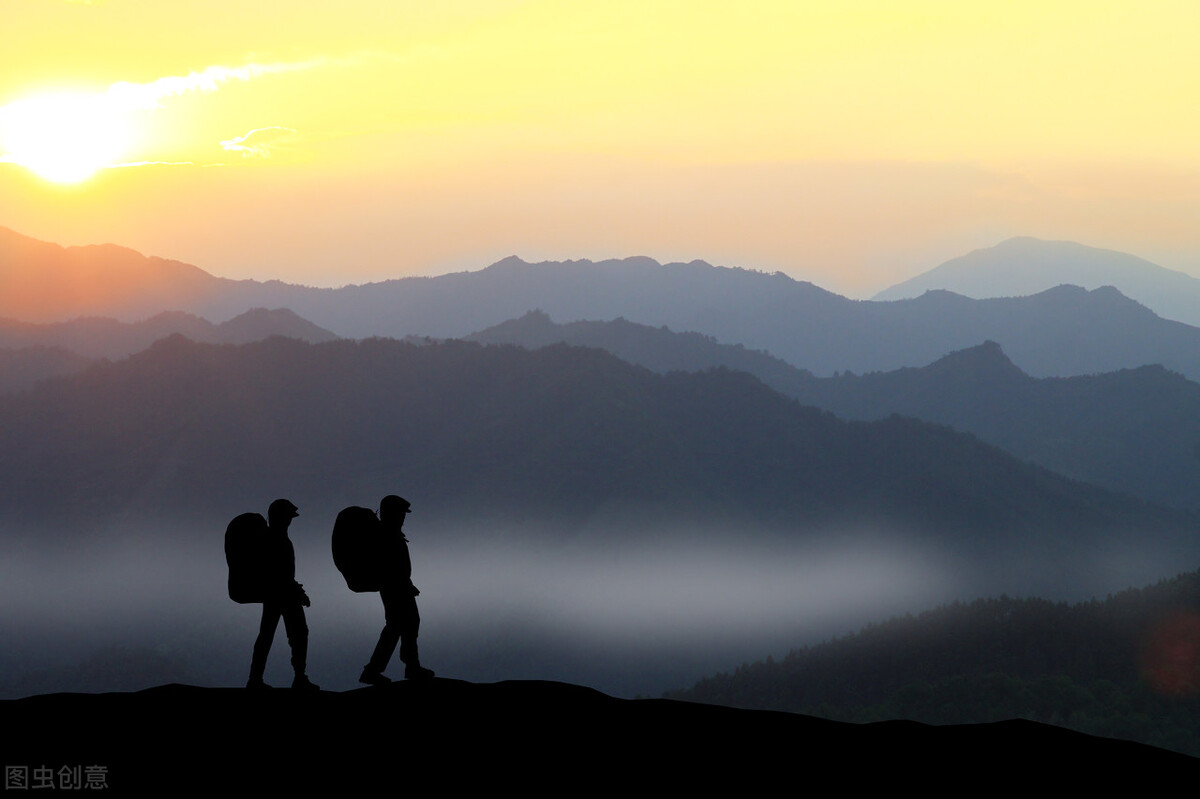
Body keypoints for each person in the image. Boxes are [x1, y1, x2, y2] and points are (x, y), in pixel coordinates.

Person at [360, 495, 434, 684]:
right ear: (391, 513)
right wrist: (403, 584)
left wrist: (407, 584)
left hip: (399, 587)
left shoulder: (390, 533)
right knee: (398, 626)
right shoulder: (386, 534)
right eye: (400, 513)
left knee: (404, 625)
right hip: (395, 588)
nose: (403, 517)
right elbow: (390, 566)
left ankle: (408, 666)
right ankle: (389, 668)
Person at [248, 498, 320, 691]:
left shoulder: (274, 537)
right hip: (283, 596)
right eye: (288, 516)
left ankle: (256, 679)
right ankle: (298, 678)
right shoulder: (277, 539)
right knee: (297, 634)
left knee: (267, 636)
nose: (290, 520)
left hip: (276, 595)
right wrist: (299, 593)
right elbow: (281, 573)